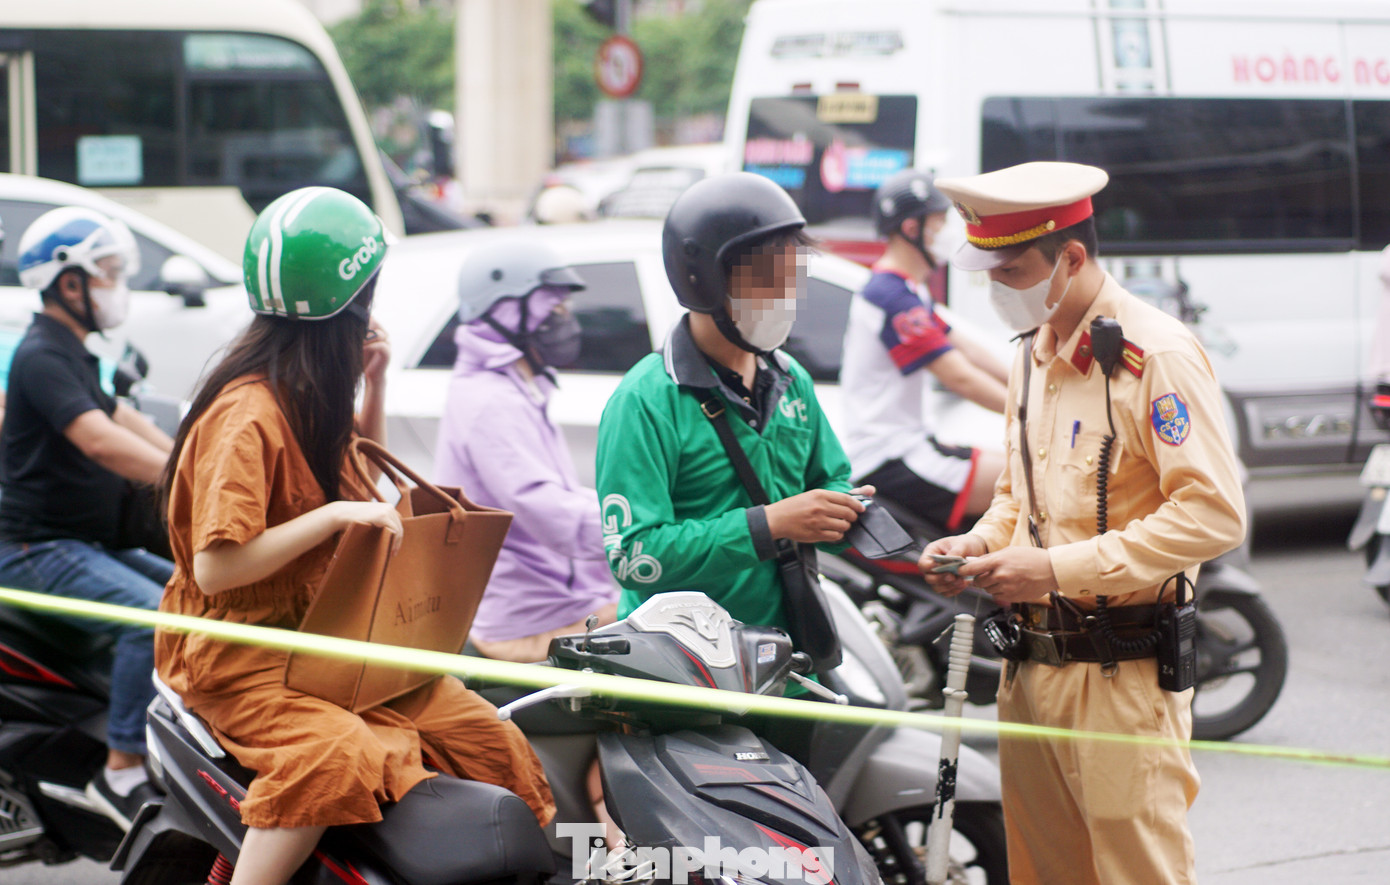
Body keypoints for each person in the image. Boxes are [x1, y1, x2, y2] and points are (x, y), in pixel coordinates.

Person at [154, 187, 553, 885]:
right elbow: (217, 568)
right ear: (349, 304)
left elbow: (360, 477)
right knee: (332, 754)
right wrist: (332, 520)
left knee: (484, 731)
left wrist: (376, 384)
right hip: (242, 653)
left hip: (329, 637)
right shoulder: (246, 412)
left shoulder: (306, 387)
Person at [921, 161, 1246, 884]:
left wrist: (1056, 569)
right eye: (990, 274)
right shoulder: (1031, 355)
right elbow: (1019, 493)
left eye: (1010, 271)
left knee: (1135, 872)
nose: (997, 289)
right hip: (1028, 670)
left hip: (1120, 673)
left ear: (1070, 257)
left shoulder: (1154, 355)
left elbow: (1214, 512)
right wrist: (977, 543)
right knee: (1044, 873)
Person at [596, 171, 872, 670]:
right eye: (767, 279)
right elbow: (635, 555)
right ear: (702, 279)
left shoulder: (791, 380)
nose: (784, 295)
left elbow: (829, 476)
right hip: (682, 668)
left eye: (792, 277)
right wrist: (769, 524)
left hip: (785, 661)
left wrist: (840, 508)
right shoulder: (645, 401)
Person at [0, 207, 175, 830]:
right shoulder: (42, 354)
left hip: (82, 537)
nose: (116, 284)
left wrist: (194, 457)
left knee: (197, 586)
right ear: (67, 283)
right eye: (107, 272)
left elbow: (124, 416)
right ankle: (120, 767)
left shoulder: (72, 350)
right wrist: (188, 476)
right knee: (153, 615)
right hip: (34, 547)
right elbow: (99, 438)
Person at [435, 238, 618, 663]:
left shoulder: (516, 388)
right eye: (551, 309)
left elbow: (564, 498)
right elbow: (552, 513)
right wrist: (646, 534)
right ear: (503, 311)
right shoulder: (491, 401)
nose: (565, 321)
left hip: (560, 598)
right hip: (530, 619)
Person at [840, 168, 1009, 534]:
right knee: (1032, 482)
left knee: (1025, 468)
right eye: (938, 223)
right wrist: (1029, 413)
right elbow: (958, 375)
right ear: (911, 229)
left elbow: (966, 348)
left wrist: (1029, 382)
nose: (946, 233)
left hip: (909, 447)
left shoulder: (907, 291)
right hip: (890, 458)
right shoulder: (890, 296)